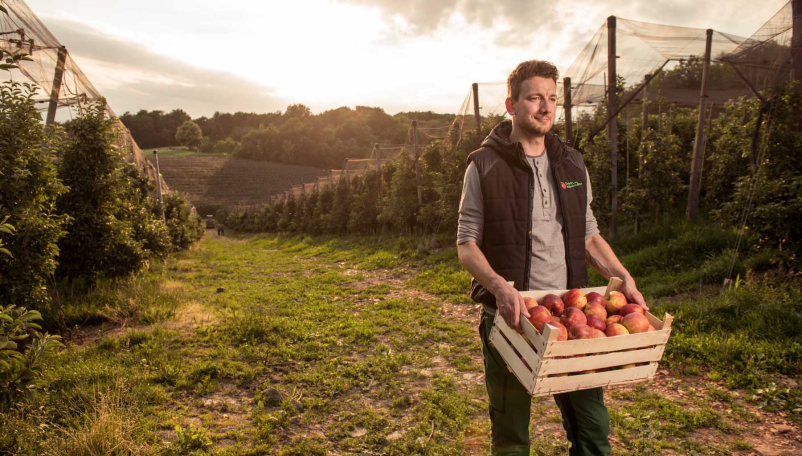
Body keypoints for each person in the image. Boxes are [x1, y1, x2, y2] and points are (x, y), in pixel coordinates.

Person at [456, 60, 647, 456]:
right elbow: (467, 244)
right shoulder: (484, 164)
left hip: (569, 316)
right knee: (511, 433)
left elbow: (588, 234)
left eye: (552, 99)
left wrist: (622, 275)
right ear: (512, 105)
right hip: (511, 316)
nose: (545, 107)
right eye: (534, 98)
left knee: (592, 428)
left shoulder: (572, 163)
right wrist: (499, 290)